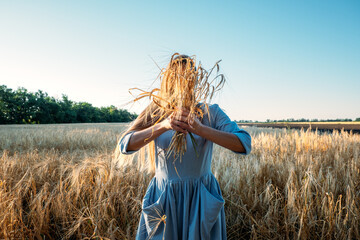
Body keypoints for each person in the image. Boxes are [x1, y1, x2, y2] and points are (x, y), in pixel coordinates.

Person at [118, 54, 252, 240]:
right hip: (165, 197)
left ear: (196, 81)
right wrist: (163, 125)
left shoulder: (210, 112)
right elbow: (125, 145)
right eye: (177, 79)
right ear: (168, 81)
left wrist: (201, 129)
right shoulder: (156, 110)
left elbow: (244, 144)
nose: (183, 85)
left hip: (200, 198)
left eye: (189, 79)